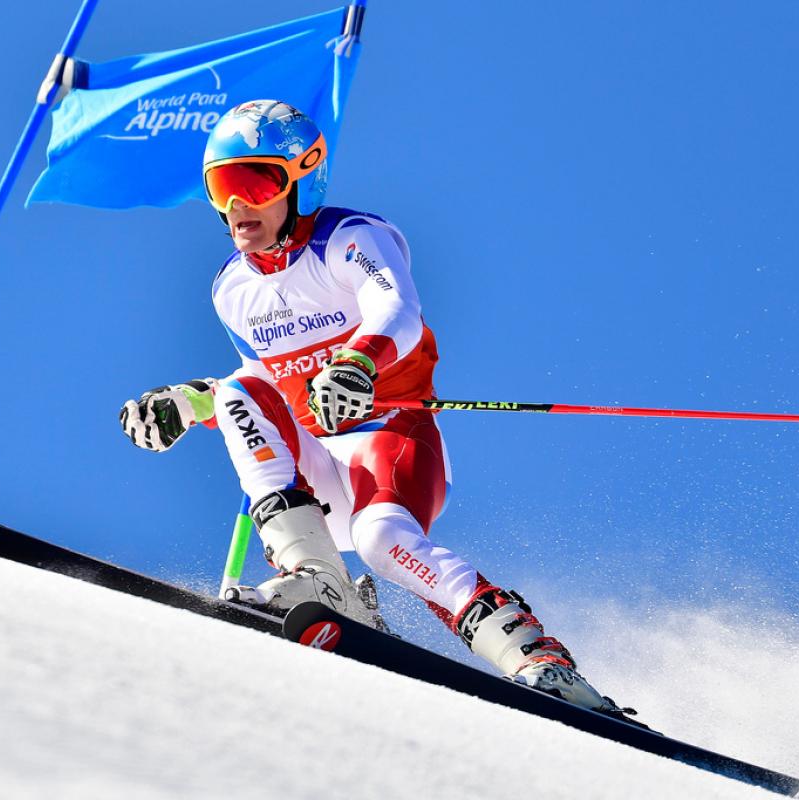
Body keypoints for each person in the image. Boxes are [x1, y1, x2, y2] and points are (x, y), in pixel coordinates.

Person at [120, 99, 636, 720]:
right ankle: (318, 578)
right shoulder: (232, 289)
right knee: (234, 391)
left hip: (390, 436)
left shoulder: (351, 239)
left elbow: (399, 311)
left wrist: (357, 363)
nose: (237, 206)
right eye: (220, 186)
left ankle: (540, 662)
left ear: (302, 177)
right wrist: (187, 402)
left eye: (254, 181)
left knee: (383, 539)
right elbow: (261, 378)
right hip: (315, 477)